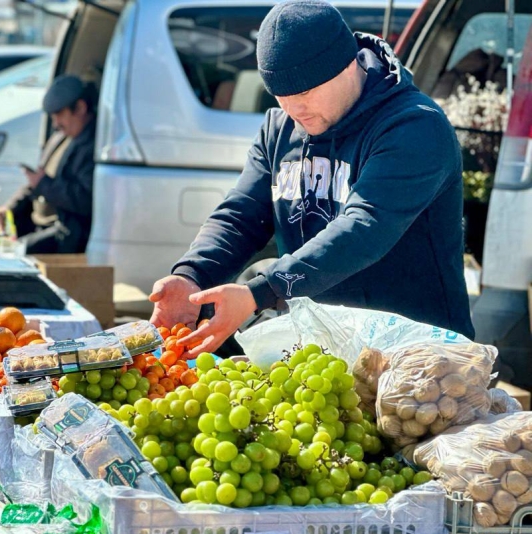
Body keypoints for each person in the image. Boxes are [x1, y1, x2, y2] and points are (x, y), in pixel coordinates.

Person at [150, 0, 474, 356]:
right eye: (280, 95)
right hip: (320, 356)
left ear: (347, 64)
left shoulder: (415, 126)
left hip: (420, 357)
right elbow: (241, 216)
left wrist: (262, 291)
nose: (293, 109)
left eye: (304, 93)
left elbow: (365, 227)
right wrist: (191, 275)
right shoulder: (279, 128)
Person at [2, 75, 97, 254]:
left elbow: (85, 200)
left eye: (60, 115)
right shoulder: (61, 137)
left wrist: (44, 184)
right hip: (38, 225)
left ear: (80, 108)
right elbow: (35, 181)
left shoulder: (93, 146)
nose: (55, 123)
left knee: (18, 252)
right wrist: (8, 211)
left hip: (65, 234)